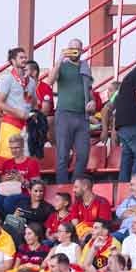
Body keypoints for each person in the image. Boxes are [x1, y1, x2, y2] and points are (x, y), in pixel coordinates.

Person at [43, 39, 94, 183]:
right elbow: (50, 81)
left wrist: (93, 102)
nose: (74, 51)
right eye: (71, 48)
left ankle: (75, 185)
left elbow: (90, 90)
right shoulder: (63, 66)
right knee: (62, 155)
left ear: (82, 50)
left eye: (76, 49)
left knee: (83, 154)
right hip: (64, 114)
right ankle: (62, 186)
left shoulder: (85, 67)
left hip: (82, 116)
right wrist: (60, 59)